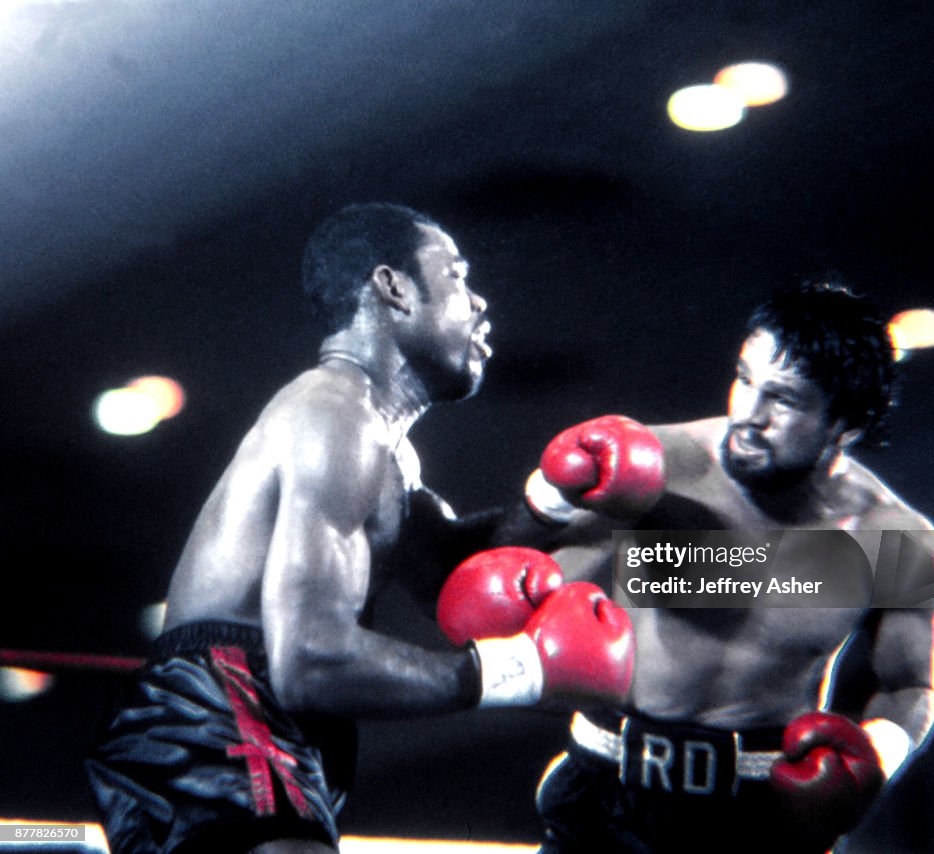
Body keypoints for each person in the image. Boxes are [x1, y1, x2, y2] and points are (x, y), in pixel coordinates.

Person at [85, 202, 636, 854]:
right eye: (458, 276)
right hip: (224, 703)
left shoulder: (383, 446)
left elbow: (456, 578)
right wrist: (522, 670)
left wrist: (555, 502)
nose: (482, 303)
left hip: (265, 723)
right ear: (393, 286)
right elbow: (309, 661)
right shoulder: (334, 416)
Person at [518, 282, 934, 853]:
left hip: (762, 814)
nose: (749, 414)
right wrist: (544, 501)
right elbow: (522, 586)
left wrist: (877, 755)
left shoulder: (896, 540)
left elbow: (911, 683)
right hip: (607, 792)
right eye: (745, 379)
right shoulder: (655, 467)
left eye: (785, 400)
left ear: (846, 425)